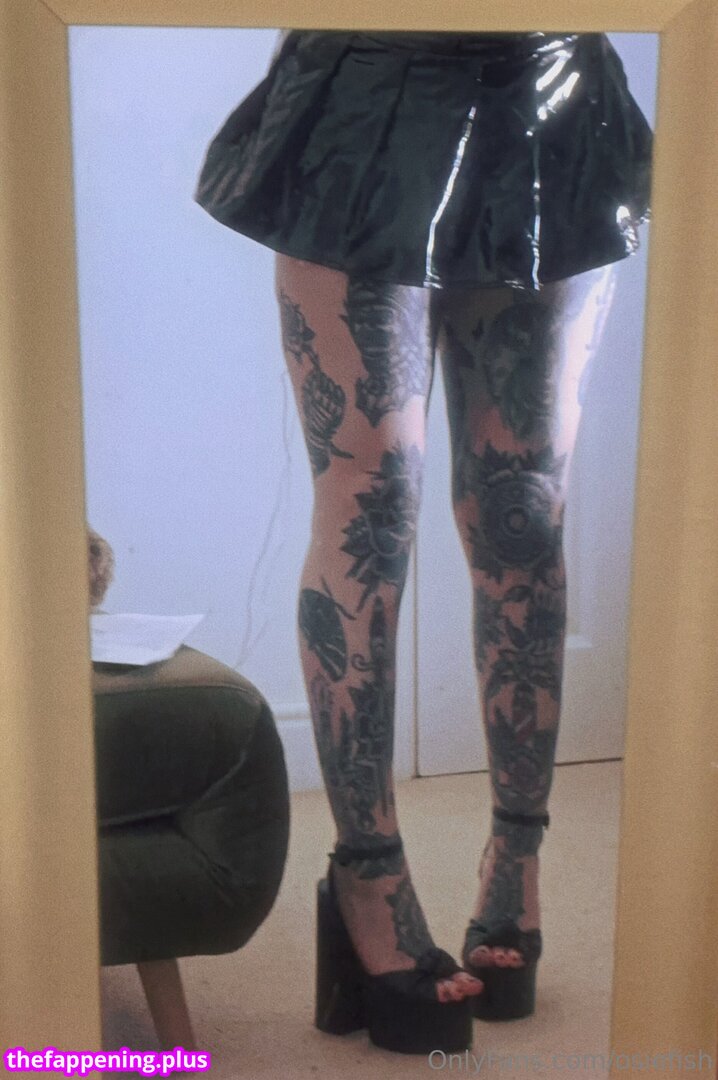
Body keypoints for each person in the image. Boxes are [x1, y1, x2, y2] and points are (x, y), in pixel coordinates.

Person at [194, 28, 652, 1053]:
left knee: (522, 507)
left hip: (551, 87)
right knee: (369, 498)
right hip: (366, 87)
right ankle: (367, 873)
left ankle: (517, 856)